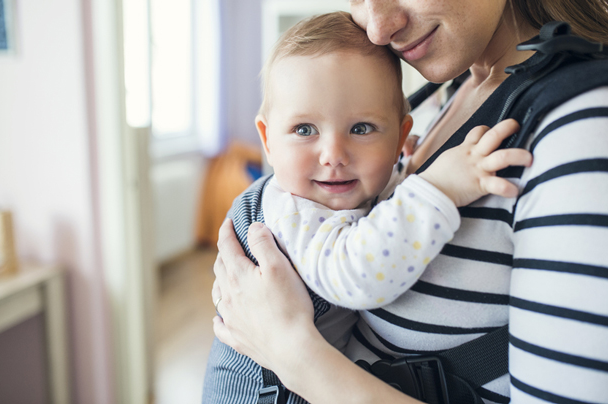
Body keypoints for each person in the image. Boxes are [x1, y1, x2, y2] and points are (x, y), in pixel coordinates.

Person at [211, 1, 608, 403]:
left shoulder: (580, 127)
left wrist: (291, 354)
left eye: (362, 129)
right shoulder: (443, 95)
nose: (379, 28)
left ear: (399, 133)